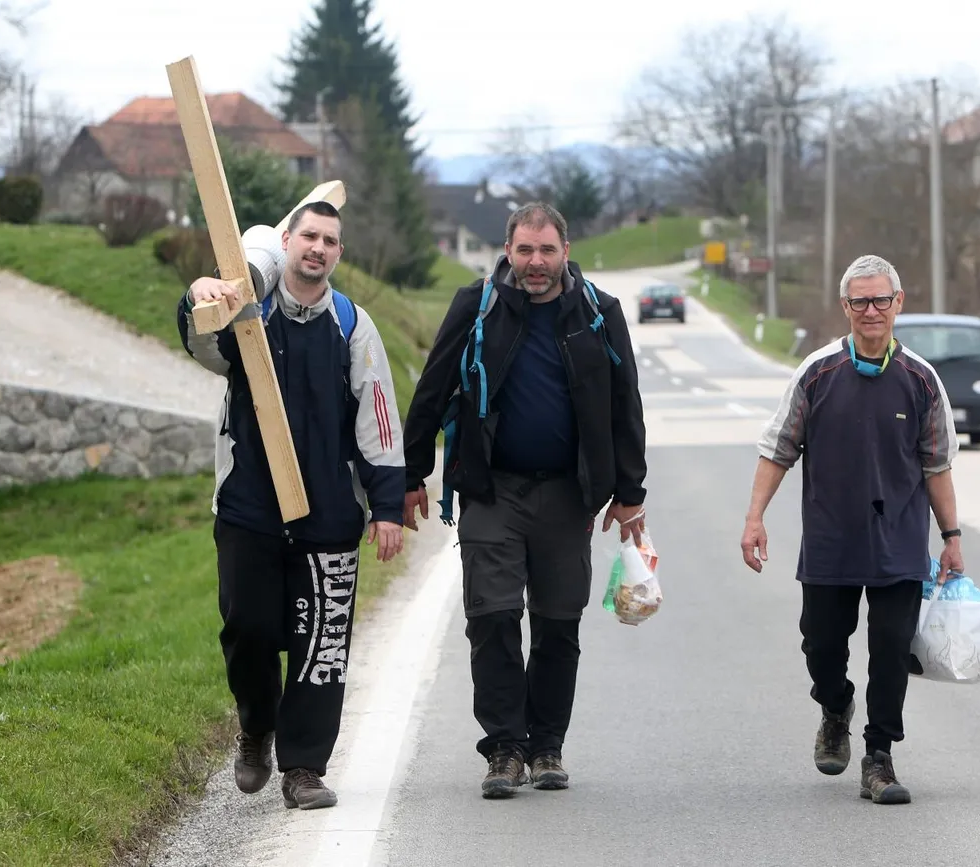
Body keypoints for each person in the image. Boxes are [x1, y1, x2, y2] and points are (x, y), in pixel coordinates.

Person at [402, 202, 648, 799]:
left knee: (559, 625)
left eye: (547, 251)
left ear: (566, 251)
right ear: (508, 251)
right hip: (492, 490)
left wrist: (630, 491)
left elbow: (624, 403)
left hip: (569, 496)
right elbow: (432, 390)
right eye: (525, 250)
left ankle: (547, 746)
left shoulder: (598, 313)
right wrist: (411, 475)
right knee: (492, 618)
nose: (536, 263)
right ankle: (505, 749)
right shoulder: (477, 305)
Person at [176, 200, 406, 811]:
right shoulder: (249, 315)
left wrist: (385, 506)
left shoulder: (353, 325)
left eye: (330, 240)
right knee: (247, 630)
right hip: (248, 506)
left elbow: (378, 419)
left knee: (322, 644)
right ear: (286, 242)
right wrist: (198, 296)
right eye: (310, 236)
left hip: (328, 515)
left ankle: (304, 767)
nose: (319, 248)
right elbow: (205, 347)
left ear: (338, 252)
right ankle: (257, 727)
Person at [739, 253, 962, 806]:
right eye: (859, 301)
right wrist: (754, 518)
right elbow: (778, 449)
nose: (870, 310)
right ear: (845, 307)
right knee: (821, 646)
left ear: (897, 304)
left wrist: (952, 537)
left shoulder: (921, 380)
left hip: (899, 544)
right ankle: (835, 705)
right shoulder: (817, 372)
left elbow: (937, 465)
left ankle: (879, 758)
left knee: (889, 651)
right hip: (831, 541)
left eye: (880, 299)